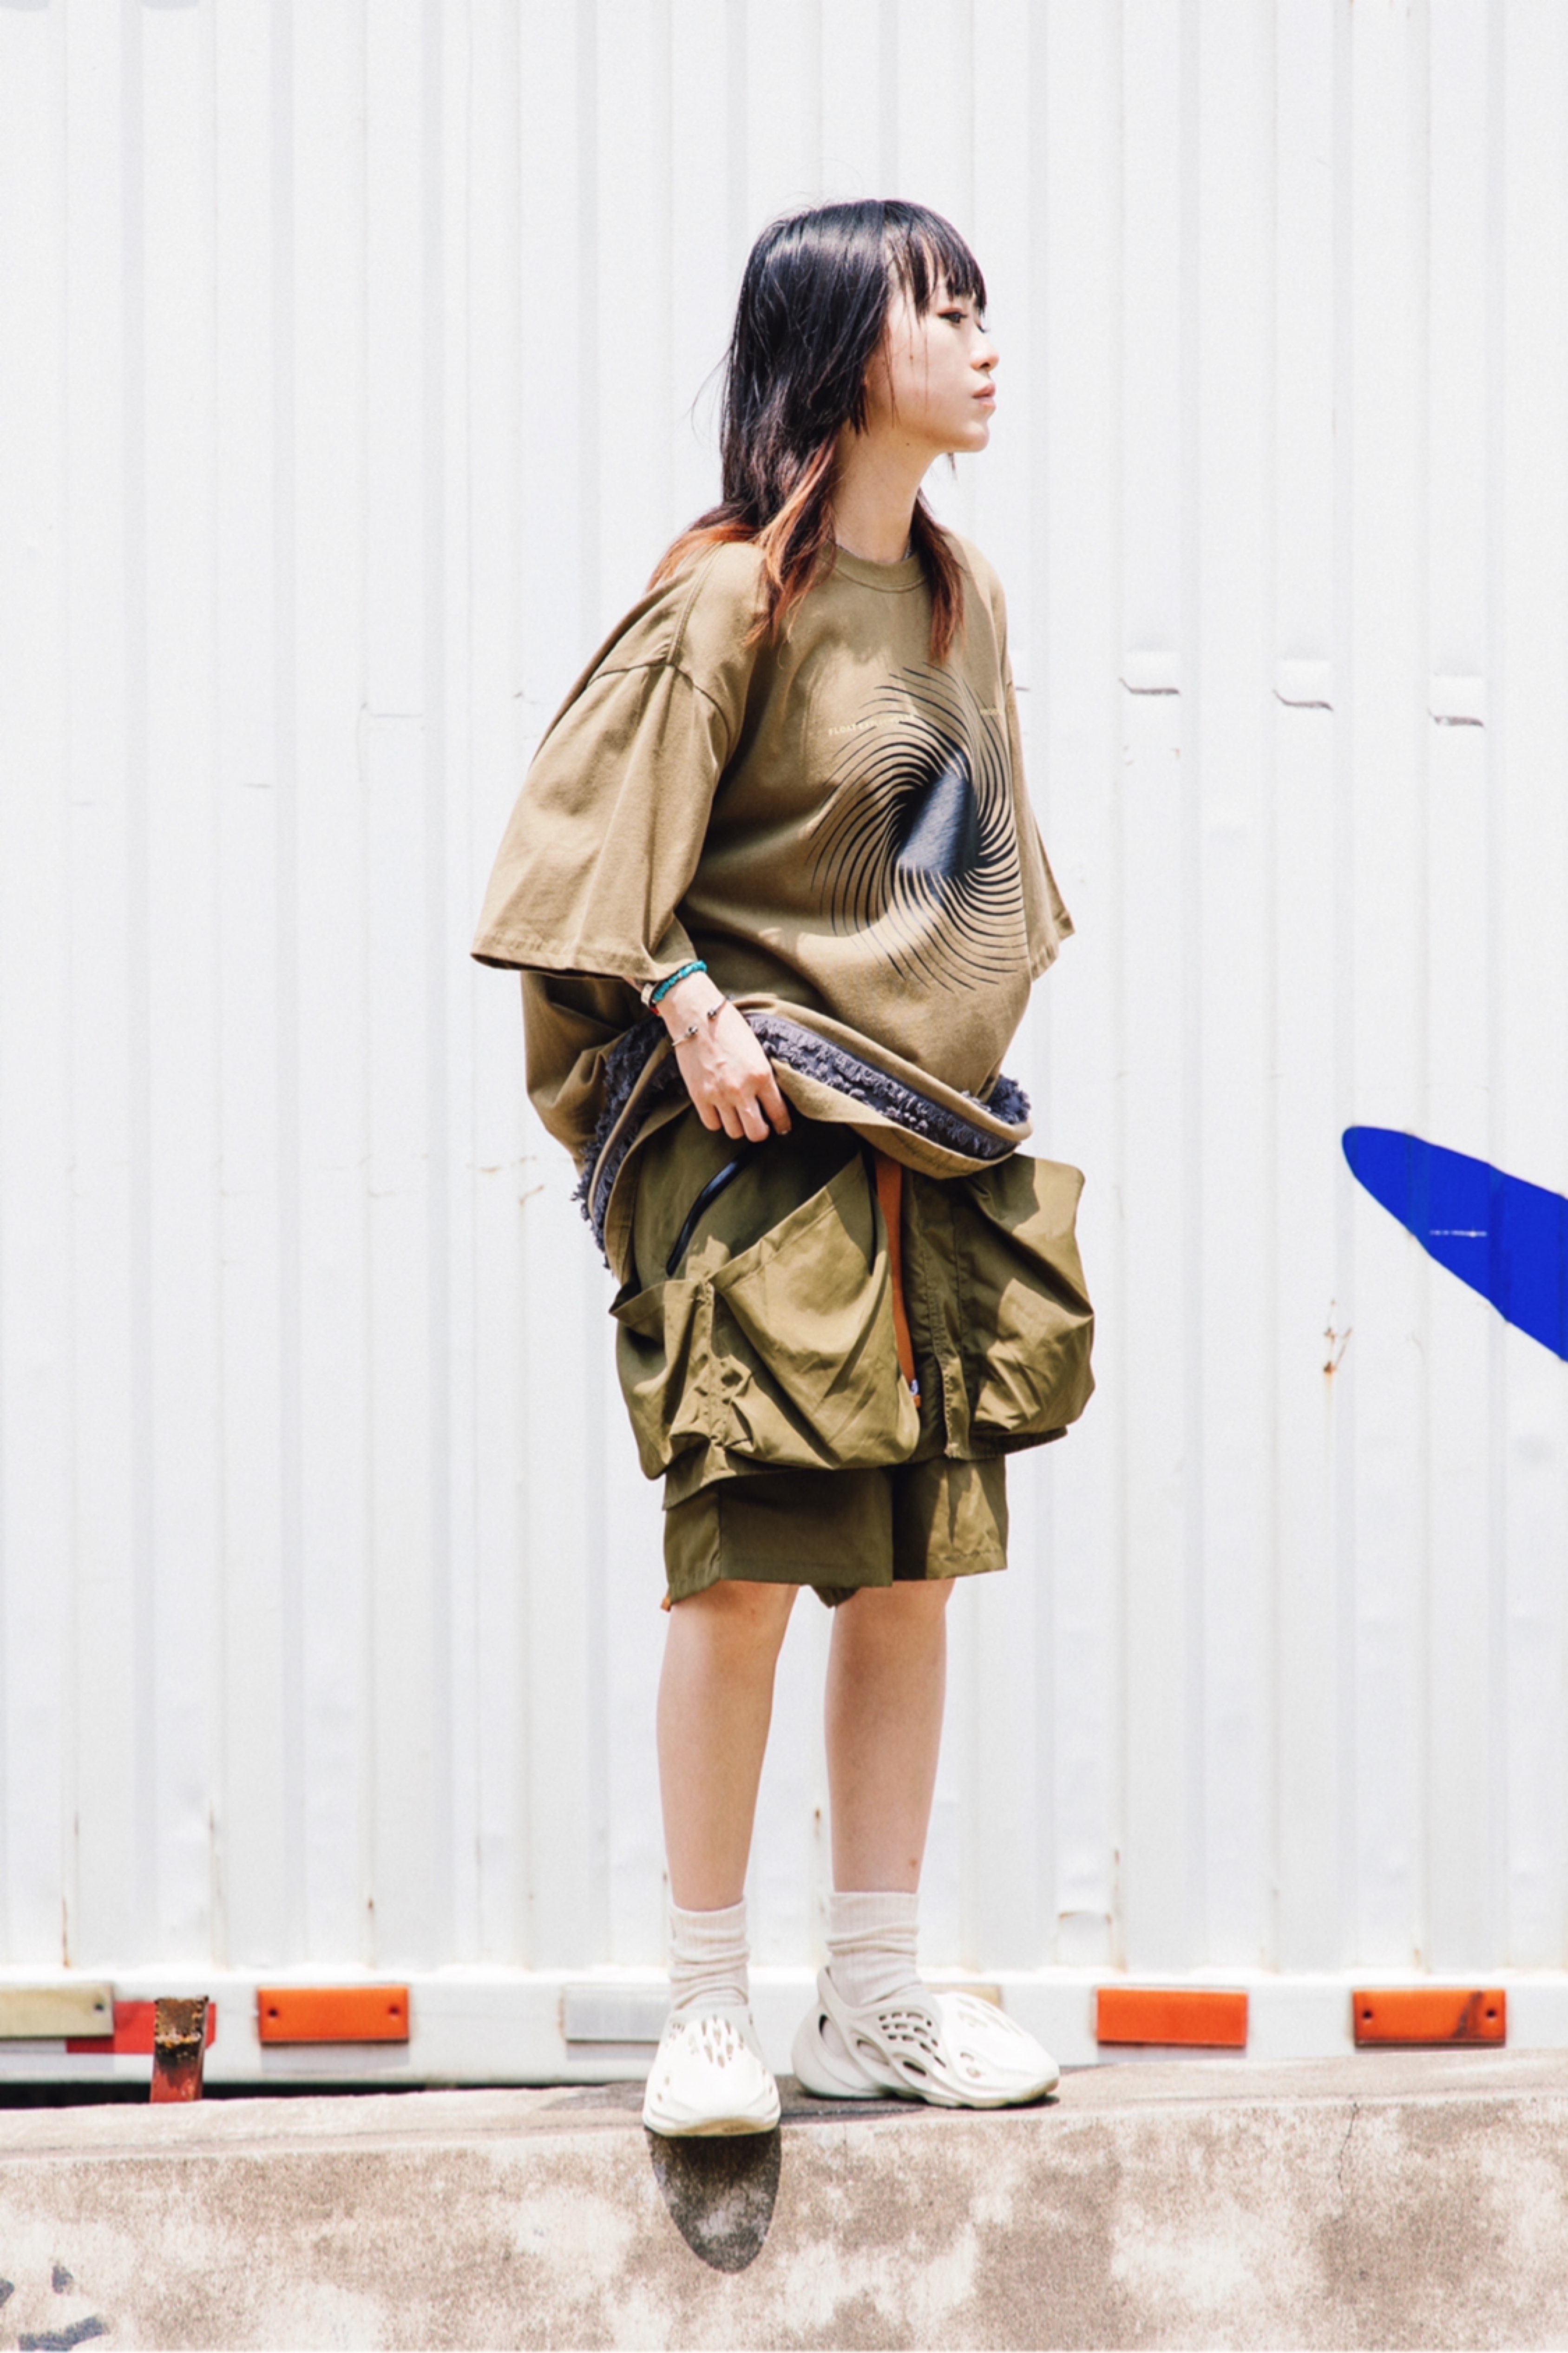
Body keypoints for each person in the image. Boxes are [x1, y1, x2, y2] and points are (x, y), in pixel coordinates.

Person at [473, 199, 1094, 2137]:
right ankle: (707, 2006)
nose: (984, 344)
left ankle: (876, 1996)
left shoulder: (961, 599)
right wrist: (686, 1001)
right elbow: (580, 854)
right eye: (944, 310)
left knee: (910, 1576)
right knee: (739, 1571)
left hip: (929, 1151)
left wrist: (947, 1043)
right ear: (842, 349)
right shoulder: (728, 596)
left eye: (985, 309)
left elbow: (955, 877)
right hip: (754, 1152)